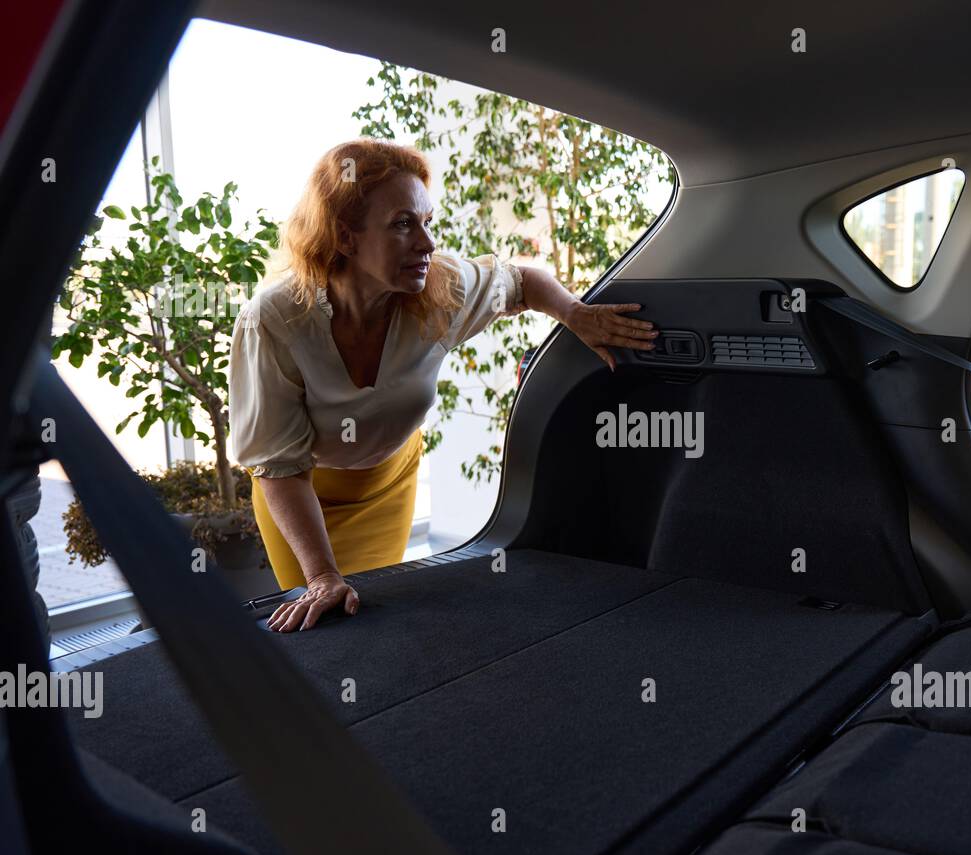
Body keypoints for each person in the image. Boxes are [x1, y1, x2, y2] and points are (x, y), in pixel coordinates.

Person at [229, 139, 657, 632]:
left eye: (426, 223)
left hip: (388, 482)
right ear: (345, 237)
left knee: (381, 623)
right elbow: (278, 467)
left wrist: (574, 313)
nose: (427, 244)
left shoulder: (442, 287)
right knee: (326, 629)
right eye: (403, 224)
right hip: (302, 493)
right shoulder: (275, 320)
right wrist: (322, 574)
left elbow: (522, 283)